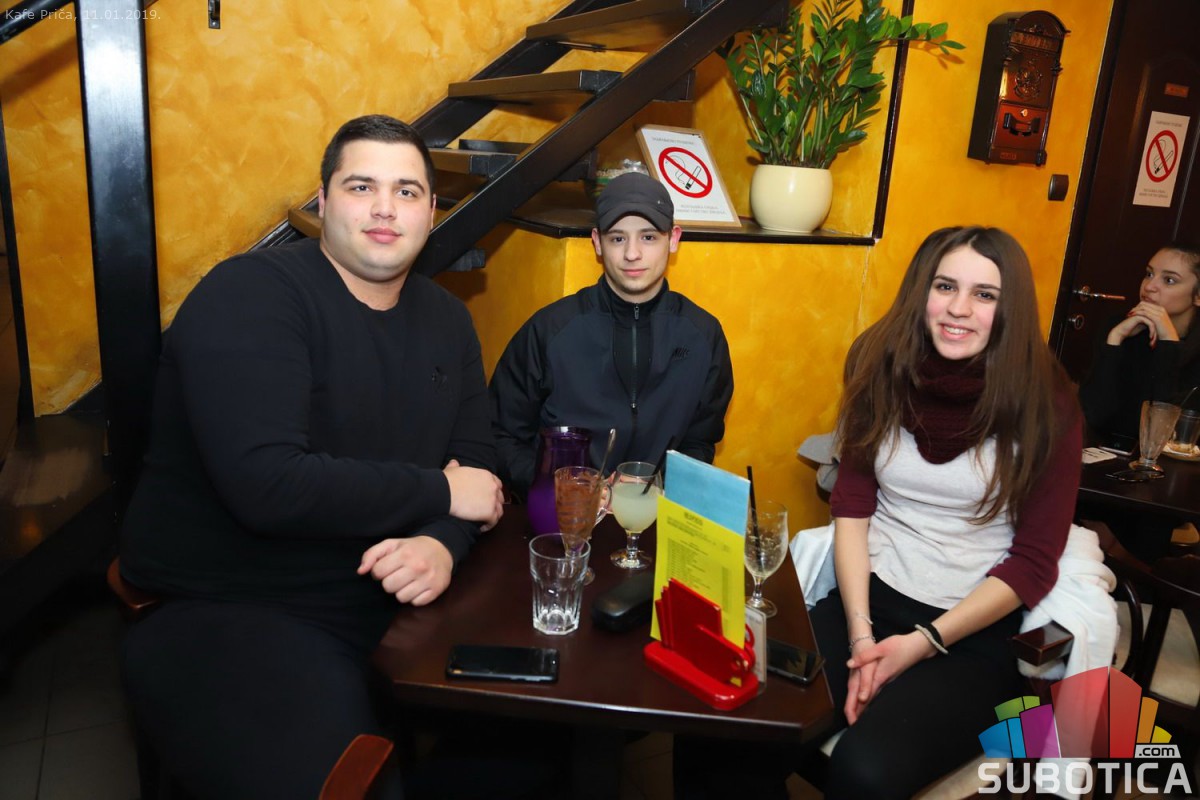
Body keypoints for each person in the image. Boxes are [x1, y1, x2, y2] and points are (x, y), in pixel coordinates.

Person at [118, 115, 504, 799]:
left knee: (555, 731)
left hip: (389, 592)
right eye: (361, 186)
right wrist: (443, 496)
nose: (385, 208)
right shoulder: (250, 295)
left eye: (407, 191)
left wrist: (442, 542)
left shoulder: (449, 319)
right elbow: (269, 487)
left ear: (431, 213)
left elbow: (475, 462)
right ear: (323, 202)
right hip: (238, 603)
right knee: (348, 784)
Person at [677, 226, 1083, 799]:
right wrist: (861, 636)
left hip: (971, 633)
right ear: (922, 292)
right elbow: (852, 508)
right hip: (867, 601)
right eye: (945, 286)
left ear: (1010, 308)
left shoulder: (1048, 405)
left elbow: (1035, 560)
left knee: (866, 771)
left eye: (985, 294)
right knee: (719, 723)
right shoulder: (883, 369)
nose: (959, 309)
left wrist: (922, 642)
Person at [488, 171, 733, 495]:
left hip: (654, 513)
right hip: (565, 515)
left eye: (648, 237)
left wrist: (656, 486)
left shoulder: (703, 336)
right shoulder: (549, 331)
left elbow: (699, 442)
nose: (632, 253)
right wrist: (568, 488)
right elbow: (499, 437)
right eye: (618, 238)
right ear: (597, 242)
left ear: (673, 239)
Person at [1080, 241, 1200, 446]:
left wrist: (1169, 343)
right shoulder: (1120, 326)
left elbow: (1165, 435)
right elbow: (1092, 416)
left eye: (1169, 280)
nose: (1149, 286)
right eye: (1149, 274)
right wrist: (1114, 340)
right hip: (1109, 452)